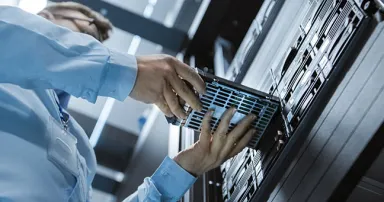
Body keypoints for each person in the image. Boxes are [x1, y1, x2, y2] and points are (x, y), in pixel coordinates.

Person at [0, 2, 256, 202]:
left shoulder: (81, 152)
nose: (92, 45)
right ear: (45, 19)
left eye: (95, 43)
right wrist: (126, 72)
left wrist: (185, 168)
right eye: (87, 31)